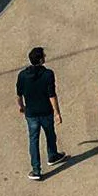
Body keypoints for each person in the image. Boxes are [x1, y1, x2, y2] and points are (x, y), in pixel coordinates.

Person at [16, 46, 64, 181]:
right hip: (45, 111)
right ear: (41, 59)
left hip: (31, 113)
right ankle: (53, 155)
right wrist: (57, 113)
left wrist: (21, 106)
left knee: (33, 140)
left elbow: (19, 94)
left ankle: (36, 170)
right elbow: (51, 95)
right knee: (50, 133)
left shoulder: (22, 75)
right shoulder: (48, 74)